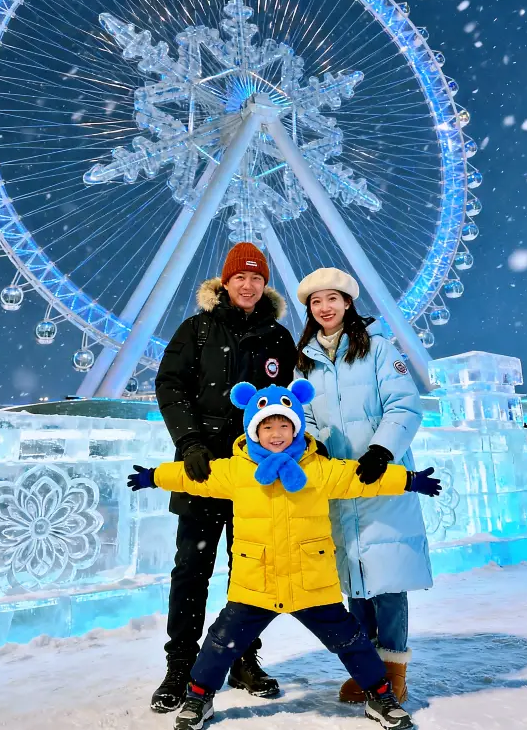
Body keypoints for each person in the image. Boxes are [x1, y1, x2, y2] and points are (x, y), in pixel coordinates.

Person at [128, 379, 441, 730]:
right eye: (267, 426)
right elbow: (196, 477)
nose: (276, 434)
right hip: (256, 582)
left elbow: (361, 478)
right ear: (253, 430)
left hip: (312, 581)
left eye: (284, 425)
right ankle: (199, 696)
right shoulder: (236, 469)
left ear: (296, 428)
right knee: (220, 643)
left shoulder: (318, 468)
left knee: (352, 641)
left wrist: (410, 479)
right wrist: (155, 476)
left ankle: (380, 695)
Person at [152, 242, 297, 712]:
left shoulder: (278, 337)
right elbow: (170, 384)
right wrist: (190, 441)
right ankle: (180, 665)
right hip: (205, 469)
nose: (249, 285)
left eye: (257, 278)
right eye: (241, 277)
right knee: (191, 569)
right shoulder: (196, 330)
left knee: (251, 571)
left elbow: (292, 402)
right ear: (226, 281)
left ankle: (242, 658)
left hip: (258, 474)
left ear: (264, 285)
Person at [295, 267, 432, 704]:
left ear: (348, 303)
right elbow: (307, 418)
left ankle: (394, 671)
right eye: (316, 303)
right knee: (354, 581)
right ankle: (365, 669)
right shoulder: (305, 361)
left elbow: (404, 405)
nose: (325, 308)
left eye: (332, 299)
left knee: (388, 581)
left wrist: (381, 451)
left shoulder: (377, 349)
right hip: (338, 483)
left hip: (382, 477)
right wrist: (312, 447)